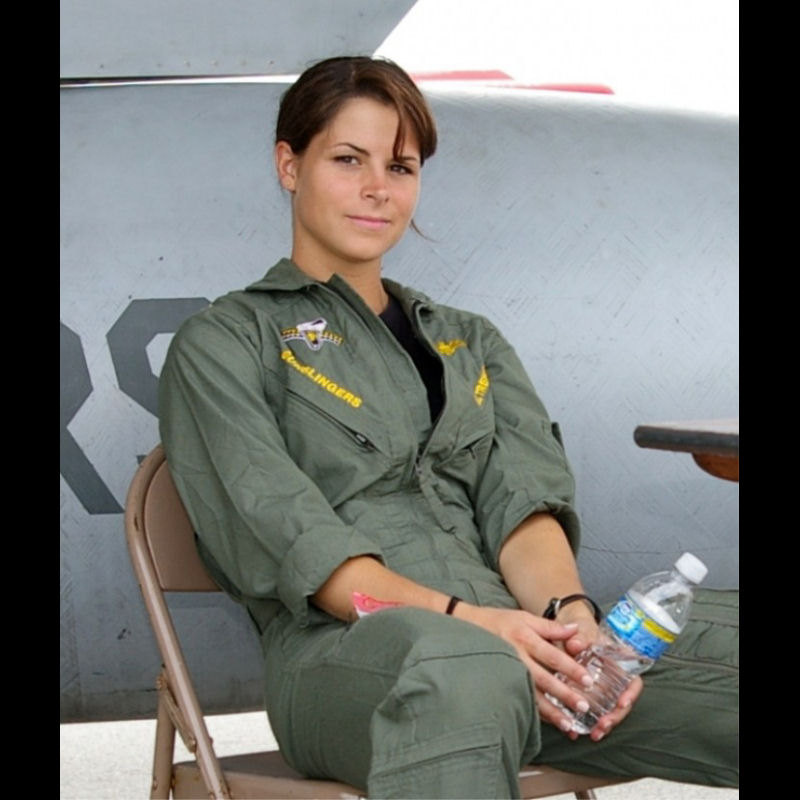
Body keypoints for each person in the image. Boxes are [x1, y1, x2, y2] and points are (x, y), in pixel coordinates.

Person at [158, 56, 738, 798]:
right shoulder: (228, 343)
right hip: (346, 657)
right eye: (348, 160)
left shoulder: (469, 341)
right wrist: (480, 627)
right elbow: (308, 553)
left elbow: (521, 510)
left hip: (514, 642)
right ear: (289, 165)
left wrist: (572, 626)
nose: (378, 188)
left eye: (400, 167)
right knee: (463, 671)